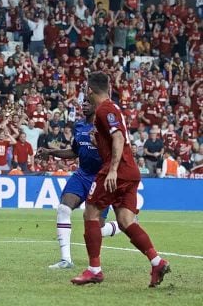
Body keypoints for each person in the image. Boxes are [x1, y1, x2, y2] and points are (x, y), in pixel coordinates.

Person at [71, 72, 169, 287]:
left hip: (117, 171)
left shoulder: (105, 110)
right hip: (131, 171)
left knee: (91, 213)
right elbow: (115, 138)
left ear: (89, 90)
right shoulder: (111, 109)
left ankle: (94, 270)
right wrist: (99, 143)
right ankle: (157, 261)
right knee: (125, 221)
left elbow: (119, 137)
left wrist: (113, 170)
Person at [38, 99, 121, 269]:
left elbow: (116, 153)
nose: (83, 105)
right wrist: (50, 151)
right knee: (63, 209)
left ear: (96, 106)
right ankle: (66, 260)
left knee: (95, 229)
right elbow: (74, 152)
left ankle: (121, 225)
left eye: (88, 103)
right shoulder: (79, 126)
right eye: (82, 103)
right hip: (82, 175)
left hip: (100, 179)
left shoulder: (106, 128)